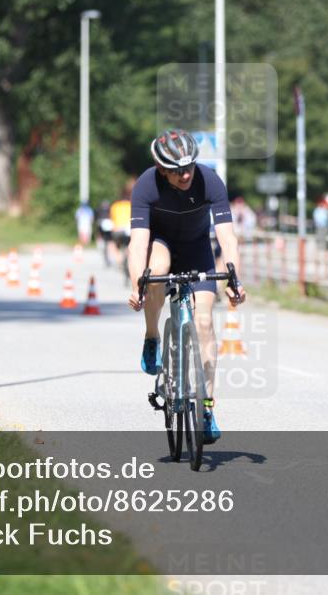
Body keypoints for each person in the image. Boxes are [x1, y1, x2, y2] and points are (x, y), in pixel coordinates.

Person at [127, 129, 246, 444]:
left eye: (190, 166)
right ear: (162, 169)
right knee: (157, 270)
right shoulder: (145, 186)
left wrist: (234, 278)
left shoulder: (210, 181)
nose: (185, 175)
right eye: (177, 170)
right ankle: (152, 335)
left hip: (197, 249)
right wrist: (137, 281)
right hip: (162, 245)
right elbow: (138, 244)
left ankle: (206, 409)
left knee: (205, 322)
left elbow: (227, 237)